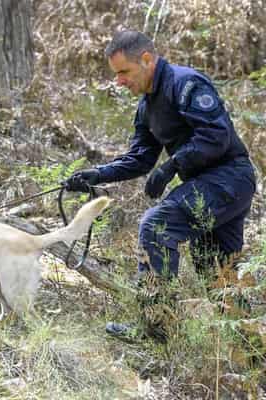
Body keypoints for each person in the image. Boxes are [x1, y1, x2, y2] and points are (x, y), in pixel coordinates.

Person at [64, 30, 256, 341]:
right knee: (216, 273)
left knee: (156, 226)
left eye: (124, 72)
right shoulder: (146, 106)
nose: (120, 81)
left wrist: (171, 166)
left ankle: (154, 328)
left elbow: (216, 136)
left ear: (147, 60)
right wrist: (97, 175)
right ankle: (253, 354)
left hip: (229, 178)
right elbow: (140, 158)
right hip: (208, 186)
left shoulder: (186, 84)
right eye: (116, 74)